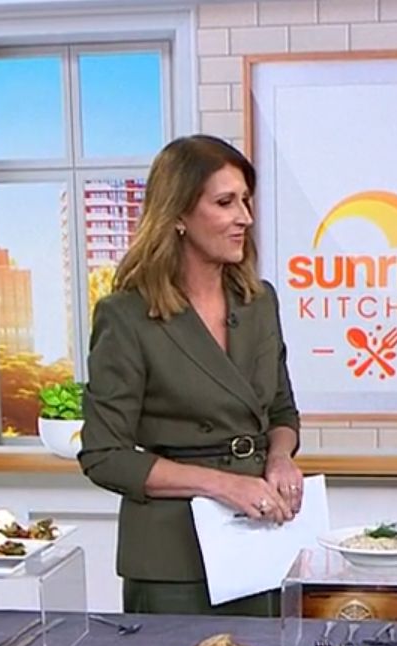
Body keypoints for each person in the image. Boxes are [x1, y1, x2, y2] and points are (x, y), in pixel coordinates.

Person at [79, 134, 305, 616]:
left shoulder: (260, 302)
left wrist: (280, 457)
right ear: (178, 214)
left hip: (260, 540)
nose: (244, 217)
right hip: (171, 557)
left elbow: (282, 411)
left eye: (245, 200)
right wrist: (225, 485)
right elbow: (104, 456)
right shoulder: (127, 316)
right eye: (225, 202)